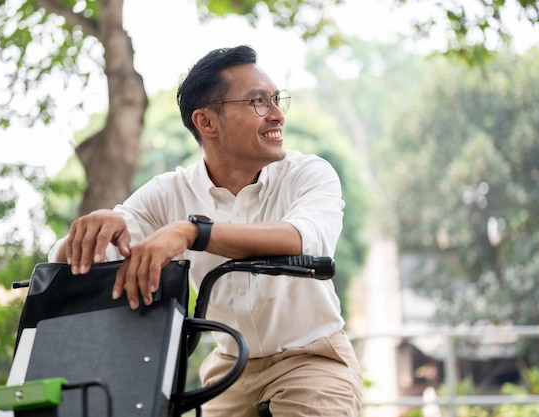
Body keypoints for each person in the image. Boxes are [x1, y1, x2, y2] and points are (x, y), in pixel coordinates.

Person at [48, 45, 363, 416]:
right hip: (227, 370)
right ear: (207, 122)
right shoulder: (169, 192)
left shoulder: (308, 173)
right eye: (258, 102)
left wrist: (192, 232)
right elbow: (81, 257)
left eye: (277, 100)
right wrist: (94, 230)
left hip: (312, 360)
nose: (277, 115)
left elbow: (301, 238)